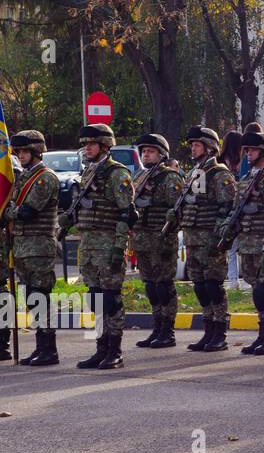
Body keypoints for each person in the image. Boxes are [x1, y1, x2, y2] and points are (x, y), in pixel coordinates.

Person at [58, 124, 136, 369]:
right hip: (89, 245)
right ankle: (100, 349)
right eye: (84, 144)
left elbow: (127, 214)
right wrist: (70, 218)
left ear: (104, 145)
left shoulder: (117, 174)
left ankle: (115, 351)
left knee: (111, 299)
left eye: (91, 144)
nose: (86, 148)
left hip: (108, 245)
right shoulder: (88, 173)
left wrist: (118, 247)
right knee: (95, 299)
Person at [169, 126, 237, 353]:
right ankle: (208, 331)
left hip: (210, 239)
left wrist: (219, 233)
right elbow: (192, 202)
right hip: (193, 239)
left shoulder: (220, 174)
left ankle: (220, 333)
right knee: (200, 287)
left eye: (197, 144)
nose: (193, 148)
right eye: (192, 145)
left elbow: (228, 207)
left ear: (210, 147)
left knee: (213, 286)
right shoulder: (195, 173)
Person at [4, 131, 62, 366]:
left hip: (39, 246)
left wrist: (7, 212)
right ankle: (40, 348)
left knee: (40, 298)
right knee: (31, 298)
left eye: (25, 151)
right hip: (23, 247)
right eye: (18, 151)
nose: (20, 155)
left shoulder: (44, 178)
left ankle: (50, 350)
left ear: (37, 151)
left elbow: (28, 211)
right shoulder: (24, 177)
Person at [226, 126, 264, 355]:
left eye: (253, 150)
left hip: (263, 240)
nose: (248, 153)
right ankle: (262, 334)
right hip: (247, 240)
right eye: (246, 149)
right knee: (257, 289)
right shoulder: (247, 177)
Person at [128, 134, 183, 351]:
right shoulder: (140, 177)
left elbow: (178, 209)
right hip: (142, 240)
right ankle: (157, 327)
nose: (145, 155)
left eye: (150, 151)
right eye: (143, 151)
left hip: (161, 240)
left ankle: (167, 331)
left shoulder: (170, 178)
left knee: (163, 286)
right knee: (151, 287)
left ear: (161, 154)